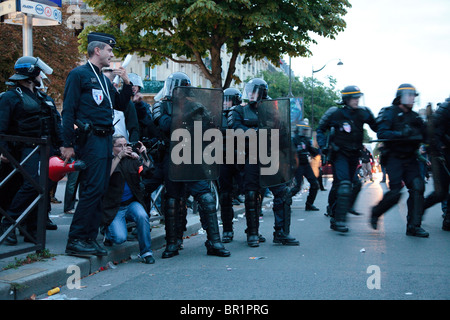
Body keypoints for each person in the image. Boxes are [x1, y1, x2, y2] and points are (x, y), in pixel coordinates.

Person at [61, 32, 133, 256]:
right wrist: (67, 143)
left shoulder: (104, 79)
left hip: (105, 139)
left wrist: (126, 83)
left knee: (100, 189)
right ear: (97, 50)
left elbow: (121, 103)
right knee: (91, 189)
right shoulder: (79, 75)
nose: (112, 54)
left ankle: (89, 237)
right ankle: (76, 239)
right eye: (109, 50)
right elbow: (68, 111)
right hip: (90, 139)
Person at [152, 72, 230, 258]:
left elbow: (212, 126)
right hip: (172, 159)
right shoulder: (161, 105)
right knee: (173, 201)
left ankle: (214, 242)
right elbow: (164, 125)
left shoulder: (197, 106)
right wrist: (187, 118)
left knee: (207, 199)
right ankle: (173, 243)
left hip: (194, 157)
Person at [0, 56, 62, 245]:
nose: (41, 75)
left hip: (45, 149)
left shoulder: (42, 97)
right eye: (38, 72)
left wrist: (61, 148)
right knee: (34, 184)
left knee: (41, 187)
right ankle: (8, 222)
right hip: (24, 150)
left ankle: (31, 226)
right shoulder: (10, 97)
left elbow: (54, 125)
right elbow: (1, 127)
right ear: (30, 74)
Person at [231, 78, 298, 246]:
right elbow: (237, 130)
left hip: (271, 156)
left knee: (282, 193)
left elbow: (282, 131)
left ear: (262, 92)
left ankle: (281, 232)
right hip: (251, 155)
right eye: (250, 90)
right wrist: (257, 132)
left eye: (254, 90)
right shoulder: (240, 110)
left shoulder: (272, 109)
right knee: (252, 194)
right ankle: (252, 233)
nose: (250, 94)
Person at [316, 85, 377, 233]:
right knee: (343, 185)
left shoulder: (362, 113)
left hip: (354, 155)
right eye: (353, 98)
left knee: (347, 185)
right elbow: (320, 129)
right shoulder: (335, 113)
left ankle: (338, 210)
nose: (356, 100)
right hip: (339, 155)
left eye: (357, 97)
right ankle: (338, 220)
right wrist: (324, 146)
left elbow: (377, 127)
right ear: (346, 99)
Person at [370, 84, 428, 237]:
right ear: (400, 97)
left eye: (414, 96)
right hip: (394, 157)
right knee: (395, 193)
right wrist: (400, 133)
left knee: (417, 187)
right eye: (409, 95)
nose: (412, 98)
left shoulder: (415, 116)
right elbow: (382, 132)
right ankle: (376, 212)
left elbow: (427, 135)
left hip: (410, 157)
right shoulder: (389, 113)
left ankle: (414, 226)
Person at [102, 135, 155, 264]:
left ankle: (146, 252)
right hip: (114, 207)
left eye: (126, 145)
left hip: (131, 203)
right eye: (120, 146)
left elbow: (148, 171)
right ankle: (107, 232)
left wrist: (143, 155)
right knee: (119, 238)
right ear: (112, 147)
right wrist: (119, 156)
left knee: (142, 216)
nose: (124, 148)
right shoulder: (107, 160)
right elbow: (105, 176)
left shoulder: (131, 160)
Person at [218, 87, 243, 243]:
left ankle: (252, 230)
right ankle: (227, 229)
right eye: (224, 100)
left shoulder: (242, 114)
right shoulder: (217, 117)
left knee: (251, 192)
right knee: (225, 195)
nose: (226, 103)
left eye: (229, 100)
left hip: (241, 159)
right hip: (223, 159)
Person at [423, 97, 450, 231]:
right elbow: (432, 130)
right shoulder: (446, 107)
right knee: (441, 192)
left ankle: (448, 219)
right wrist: (439, 148)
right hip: (441, 153)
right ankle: (419, 209)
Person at [290, 121, 320, 211]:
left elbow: (312, 151)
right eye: (304, 130)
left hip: (306, 164)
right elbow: (291, 152)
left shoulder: (305, 140)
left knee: (314, 184)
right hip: (297, 165)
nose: (305, 131)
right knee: (297, 187)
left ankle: (309, 204)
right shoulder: (294, 140)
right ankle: (285, 201)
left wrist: (320, 151)